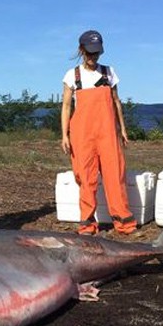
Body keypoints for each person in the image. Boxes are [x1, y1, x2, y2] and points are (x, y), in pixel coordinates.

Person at [61, 30, 136, 236]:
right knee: (86, 178)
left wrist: (122, 129)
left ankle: (124, 222)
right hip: (82, 134)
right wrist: (64, 135)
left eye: (97, 53)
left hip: (108, 132)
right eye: (90, 53)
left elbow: (116, 102)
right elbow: (66, 106)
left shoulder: (108, 72)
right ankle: (87, 224)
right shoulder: (72, 75)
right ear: (81, 50)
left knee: (115, 175)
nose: (93, 58)